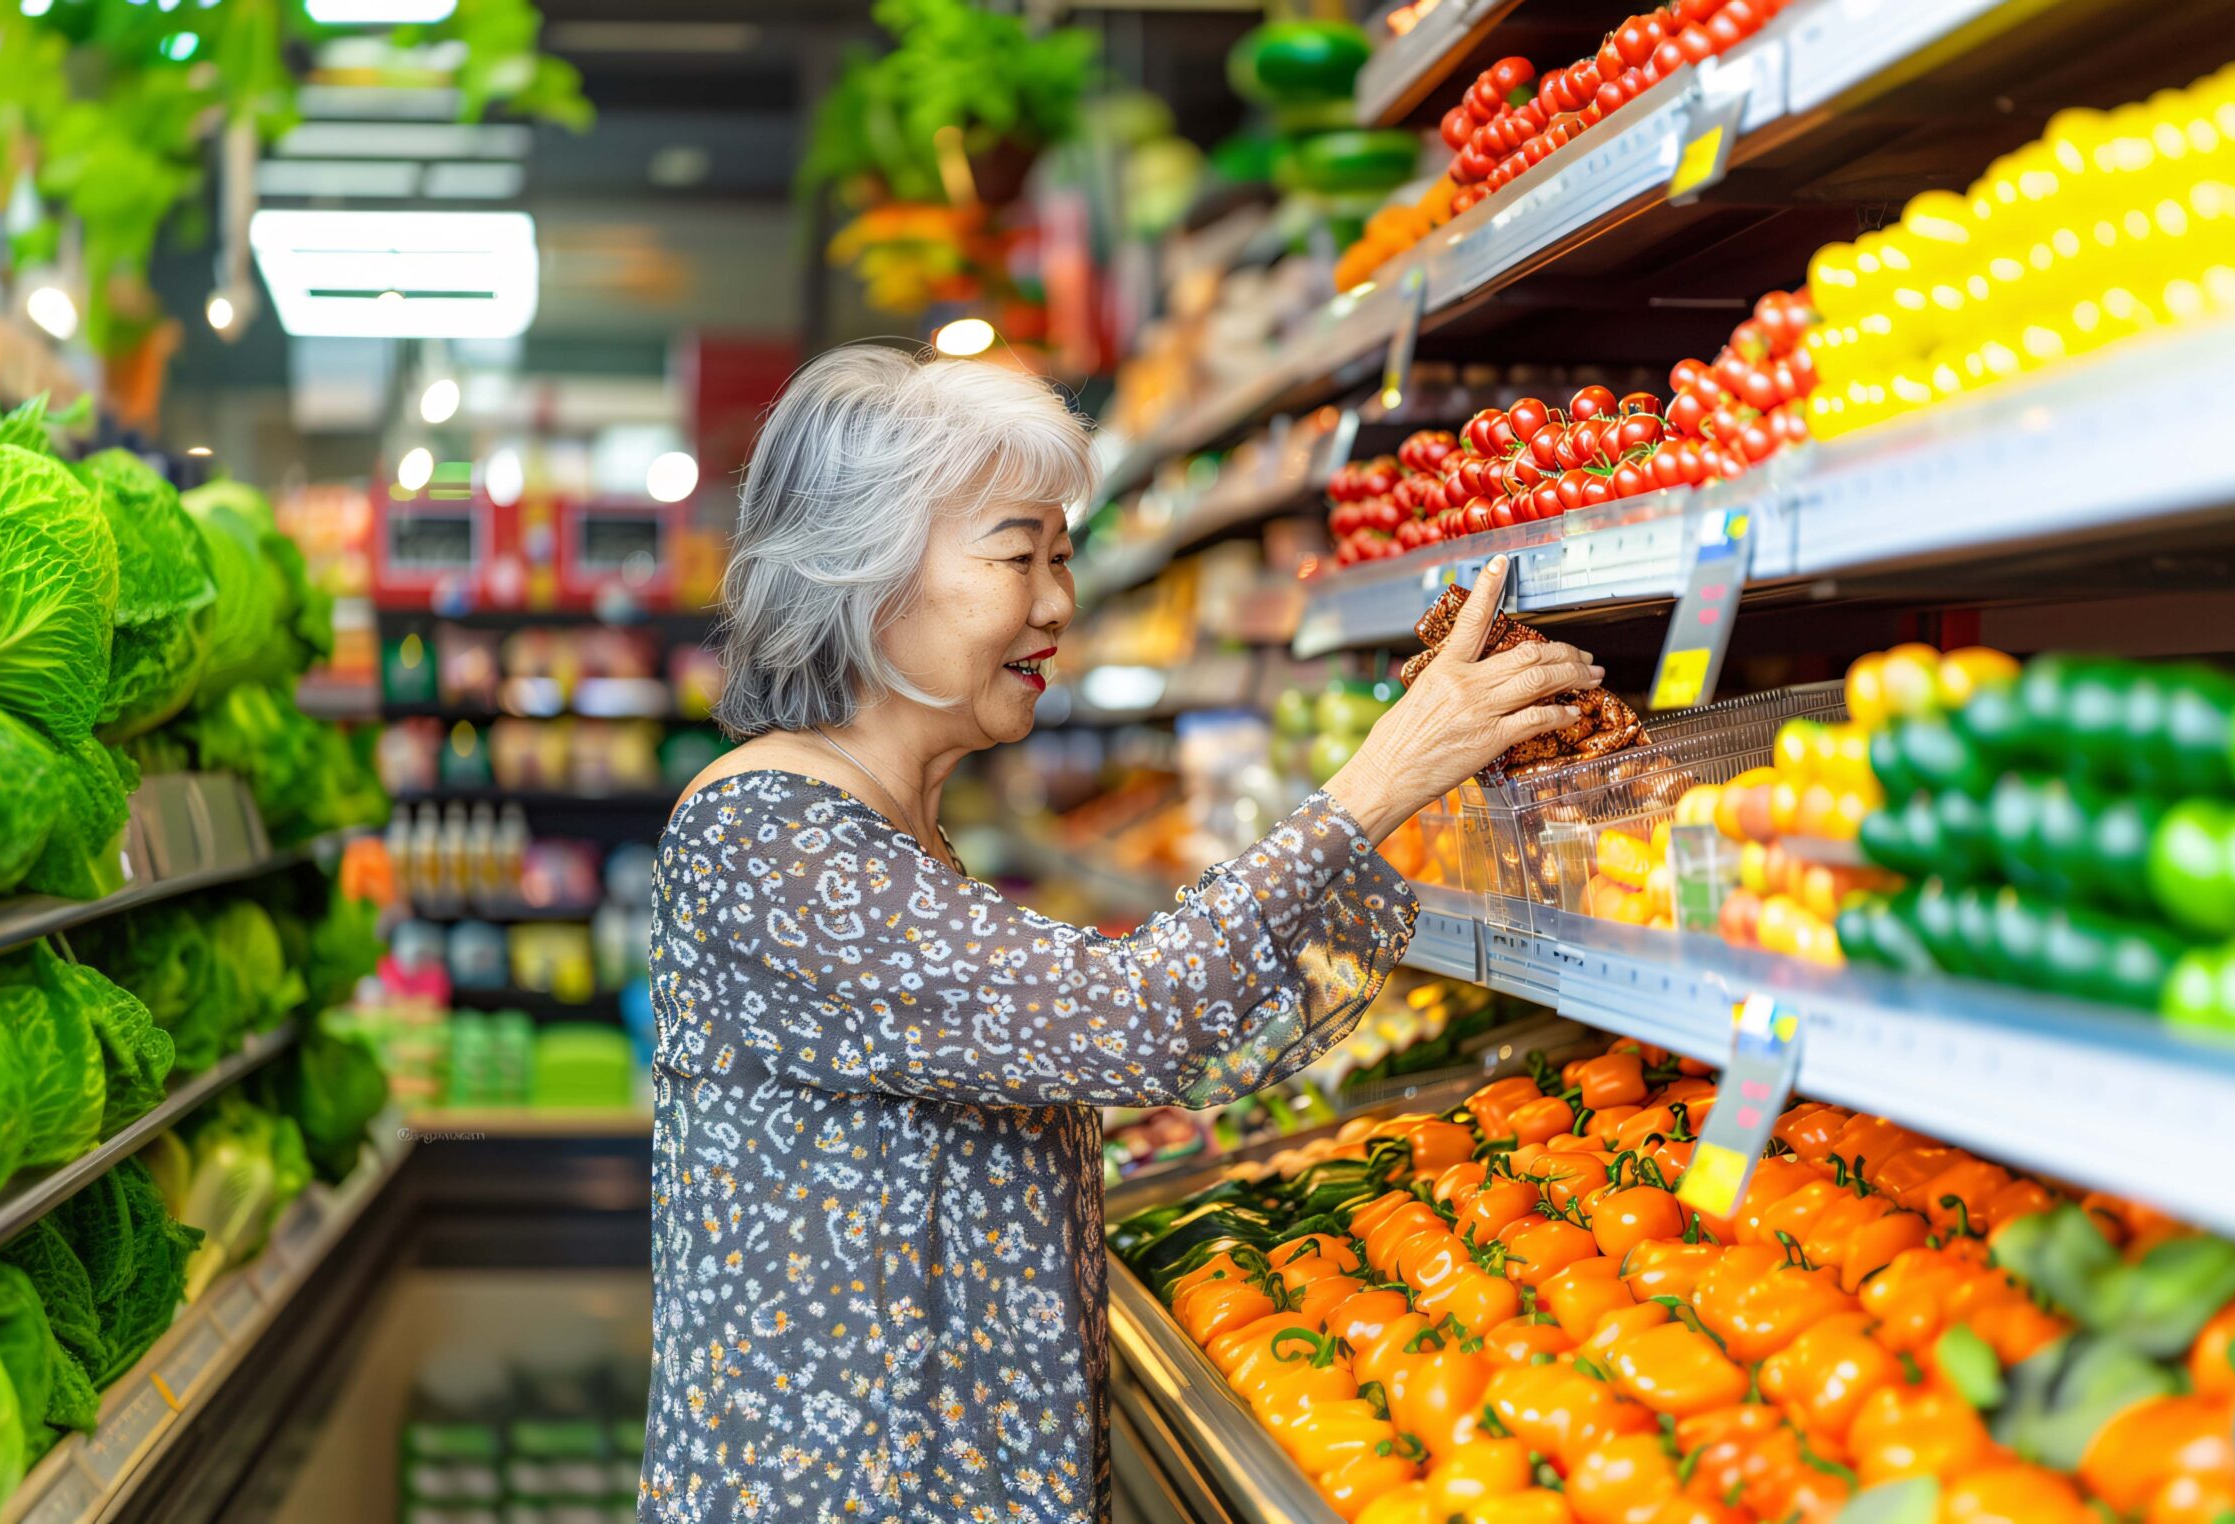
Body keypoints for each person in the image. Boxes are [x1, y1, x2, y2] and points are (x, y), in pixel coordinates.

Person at [641, 344, 1601, 1522]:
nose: (1056, 603)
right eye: (1015, 555)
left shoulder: (887, 824)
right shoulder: (769, 839)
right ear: (865, 571)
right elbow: (1131, 1024)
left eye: (1063, 556)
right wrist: (1379, 779)